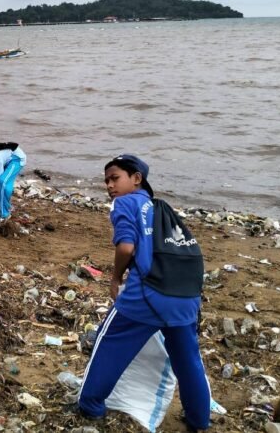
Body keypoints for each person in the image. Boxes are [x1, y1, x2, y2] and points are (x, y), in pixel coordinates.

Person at [77, 154, 210, 432]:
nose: (109, 186)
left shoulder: (125, 203)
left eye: (115, 178)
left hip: (147, 294)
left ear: (137, 178)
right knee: (188, 360)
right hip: (185, 295)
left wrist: (115, 278)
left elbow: (126, 248)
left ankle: (90, 406)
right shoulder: (160, 208)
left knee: (108, 342)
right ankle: (199, 419)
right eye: (106, 181)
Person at [0, 142, 26, 220]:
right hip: (6, 158)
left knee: (3, 183)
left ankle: (4, 214)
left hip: (16, 159)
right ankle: (0, 204)